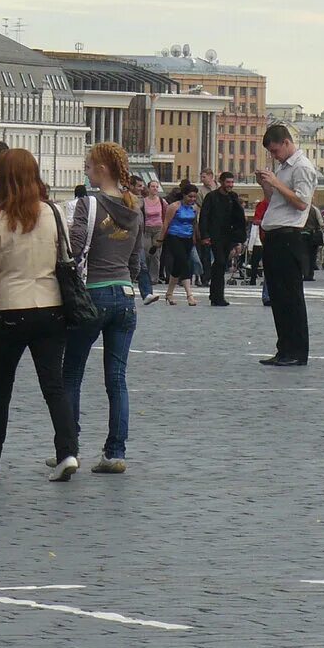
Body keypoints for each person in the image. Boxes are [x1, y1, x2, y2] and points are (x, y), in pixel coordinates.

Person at [0, 148, 79, 483]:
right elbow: (66, 259)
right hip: (51, 307)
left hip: (10, 311)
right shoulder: (53, 214)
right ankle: (67, 451)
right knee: (53, 385)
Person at [61, 143, 142, 475]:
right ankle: (115, 451)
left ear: (102, 169)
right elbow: (136, 263)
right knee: (117, 378)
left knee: (72, 373)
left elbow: (76, 246)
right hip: (125, 295)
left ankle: (68, 447)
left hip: (92, 294)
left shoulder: (88, 204)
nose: (86, 171)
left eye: (89, 166)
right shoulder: (133, 208)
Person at [257, 123, 319, 367]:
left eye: (275, 150)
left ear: (285, 142)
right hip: (274, 235)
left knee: (291, 297)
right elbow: (276, 201)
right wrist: (266, 184)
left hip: (289, 237)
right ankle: (284, 349)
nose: (274, 155)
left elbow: (302, 203)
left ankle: (296, 351)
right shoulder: (283, 168)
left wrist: (276, 182)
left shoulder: (302, 167)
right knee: (278, 297)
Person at [198, 172, 247, 307]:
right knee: (219, 262)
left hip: (229, 236)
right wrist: (205, 235)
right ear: (221, 182)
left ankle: (216, 294)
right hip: (215, 235)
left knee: (222, 263)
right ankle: (217, 296)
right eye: (228, 182)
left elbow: (238, 219)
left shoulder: (233, 197)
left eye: (232, 182)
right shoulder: (211, 197)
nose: (230, 185)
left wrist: (238, 239)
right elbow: (204, 217)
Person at [159, 183, 200, 306]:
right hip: (174, 236)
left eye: (194, 197)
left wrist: (195, 238)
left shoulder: (195, 208)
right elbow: (166, 224)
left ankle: (169, 293)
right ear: (183, 195)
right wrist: (160, 240)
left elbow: (194, 223)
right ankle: (189, 295)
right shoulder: (174, 206)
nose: (192, 199)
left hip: (187, 238)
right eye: (190, 196)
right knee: (183, 262)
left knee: (178, 266)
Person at [126, 175, 159, 305]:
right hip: (129, 238)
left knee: (142, 265)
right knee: (131, 266)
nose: (142, 188)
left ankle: (146, 293)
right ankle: (130, 292)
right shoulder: (126, 198)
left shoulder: (138, 199)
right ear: (131, 185)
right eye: (139, 186)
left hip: (138, 237)